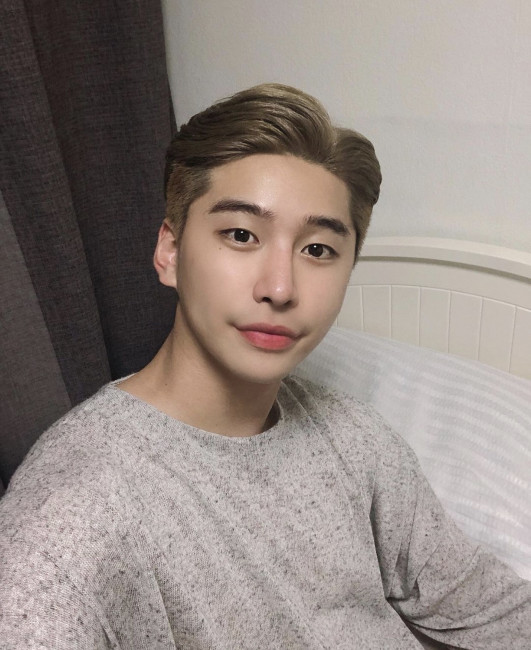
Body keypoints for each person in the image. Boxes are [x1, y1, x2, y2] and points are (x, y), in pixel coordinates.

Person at [0, 83, 529, 649]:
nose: (280, 288)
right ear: (170, 252)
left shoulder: (356, 440)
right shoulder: (72, 519)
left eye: (318, 249)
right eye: (241, 235)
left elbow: (487, 607)